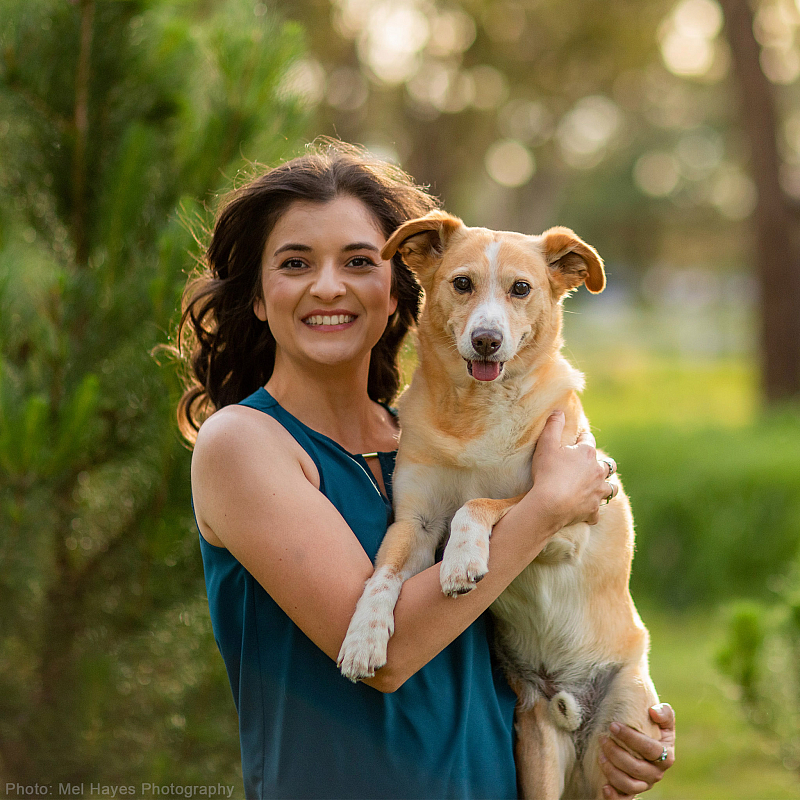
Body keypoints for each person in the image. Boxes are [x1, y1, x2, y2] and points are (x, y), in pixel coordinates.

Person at [178, 140, 675, 799]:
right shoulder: (243, 444)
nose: (329, 285)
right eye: (296, 263)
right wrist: (546, 506)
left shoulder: (425, 438)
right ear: (261, 298)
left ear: (395, 290)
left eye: (358, 262)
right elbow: (387, 658)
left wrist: (607, 738)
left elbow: (540, 623)